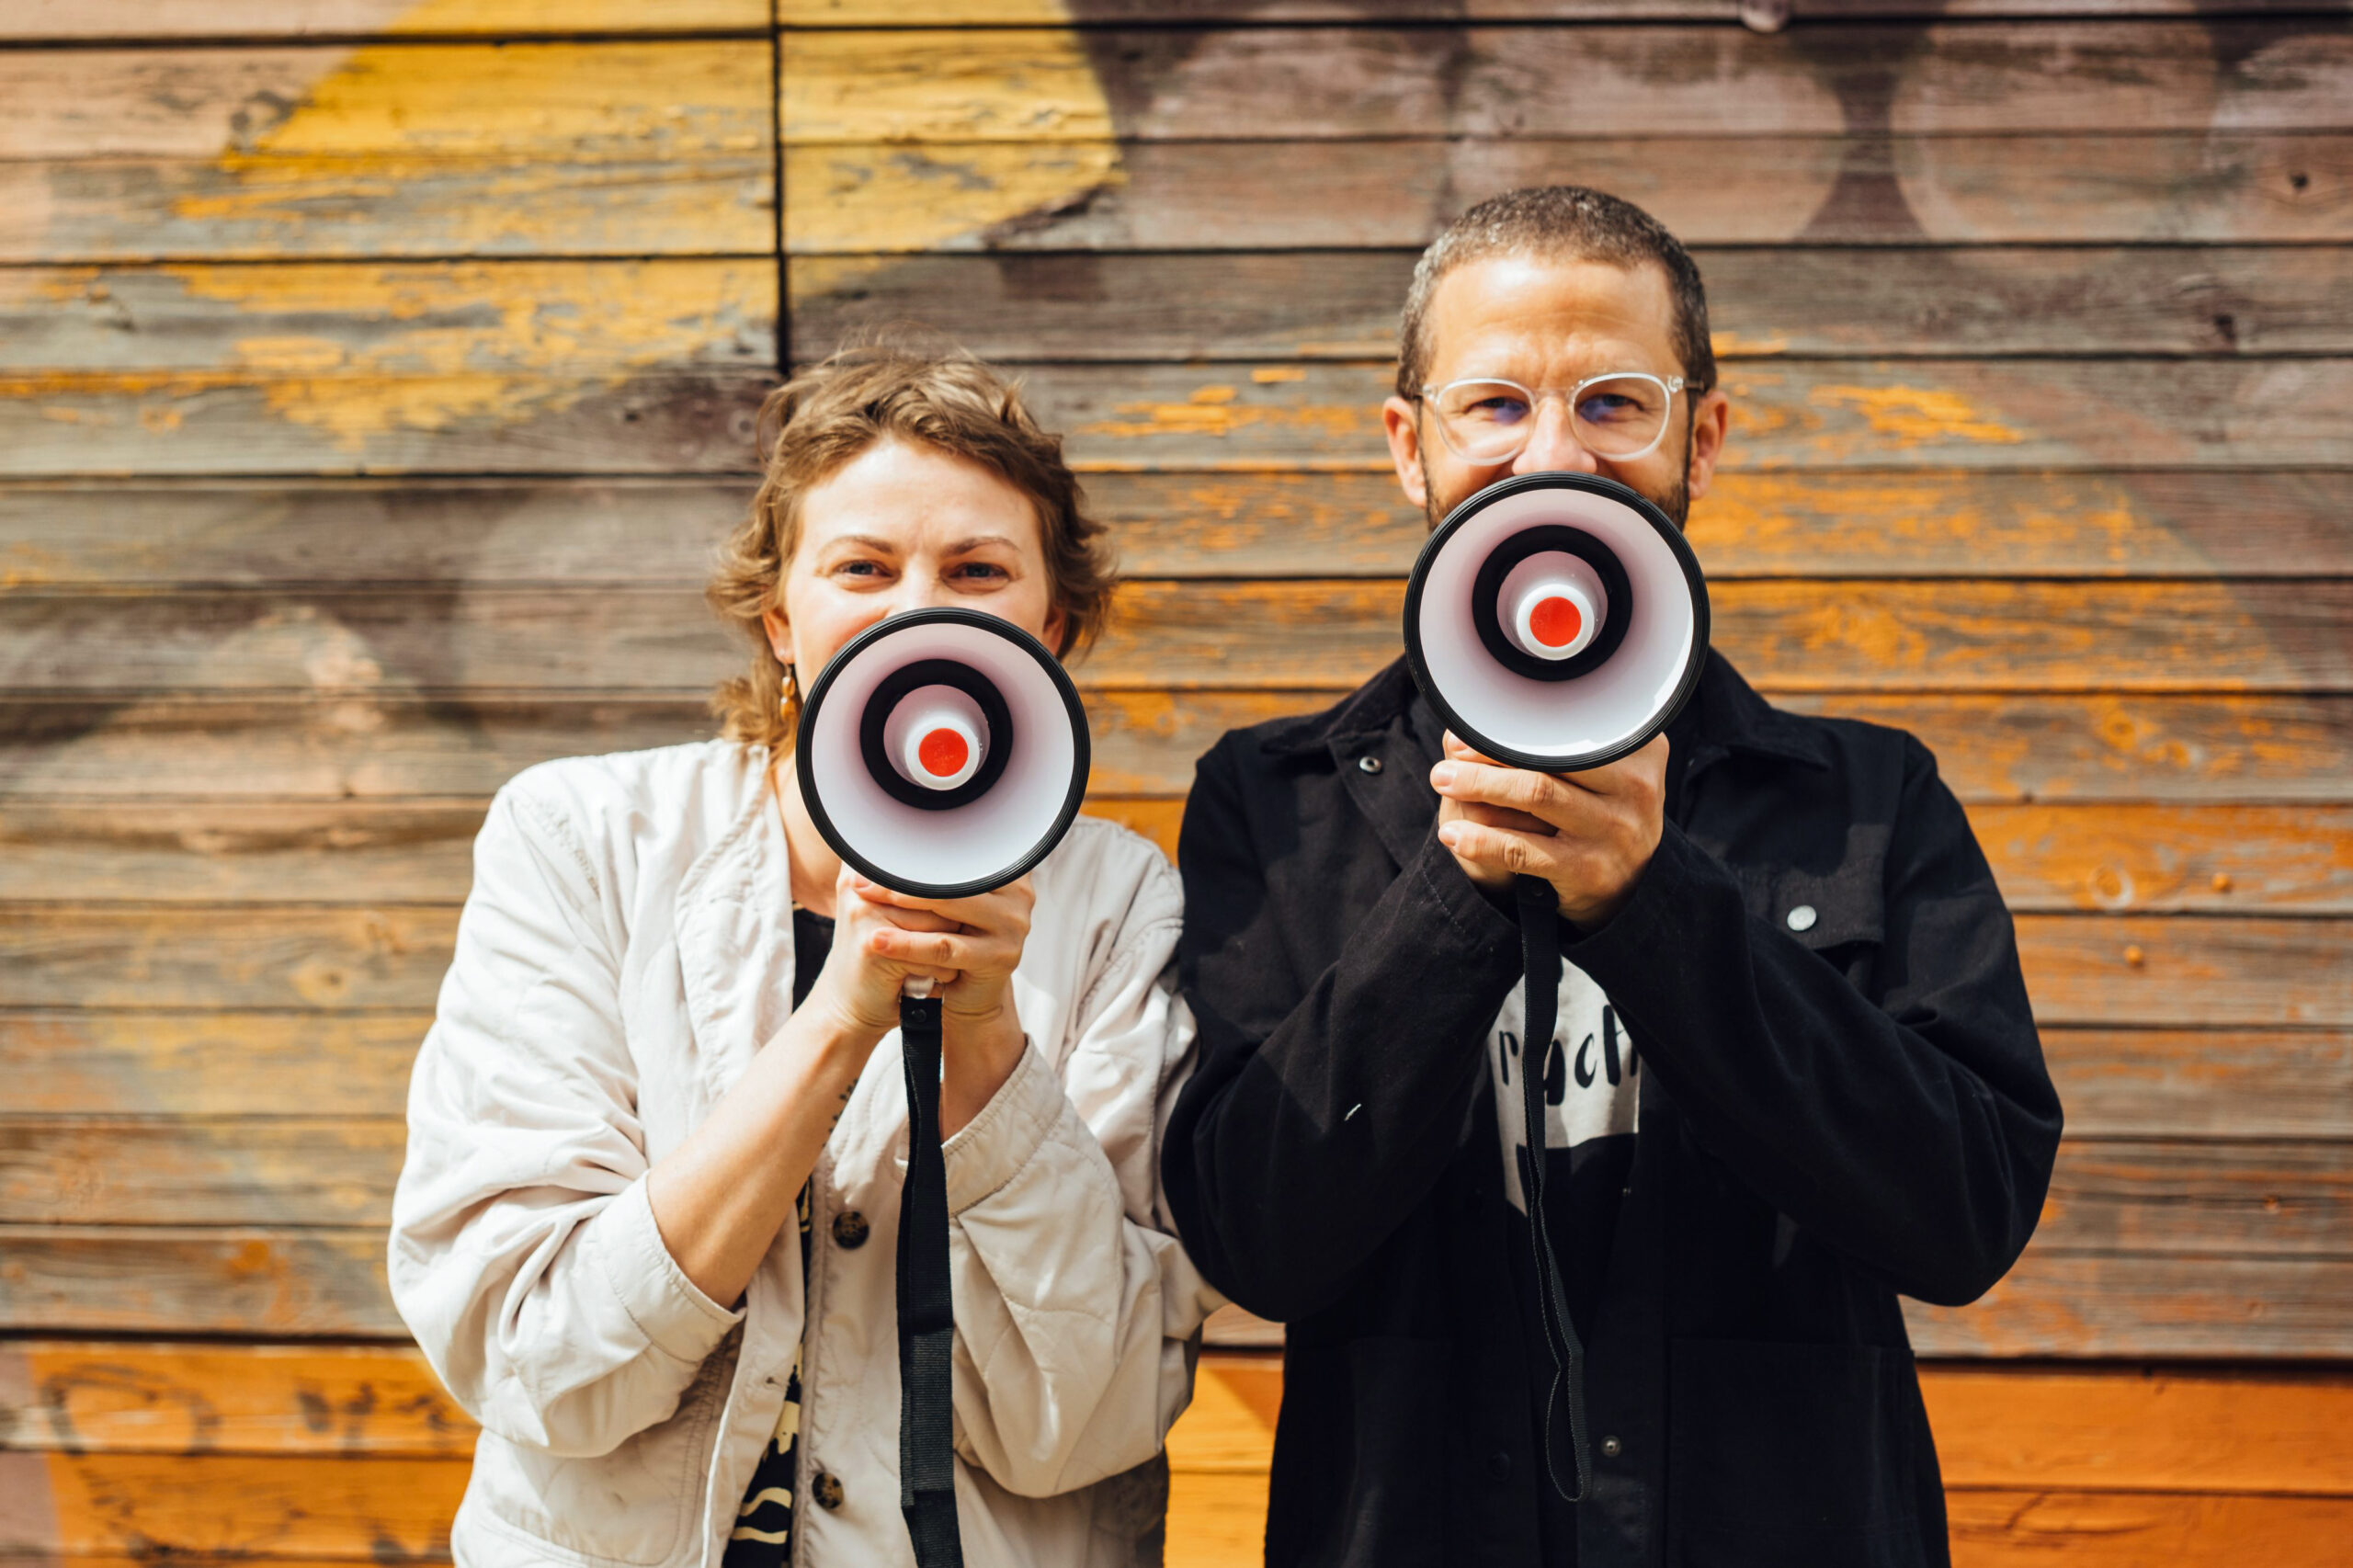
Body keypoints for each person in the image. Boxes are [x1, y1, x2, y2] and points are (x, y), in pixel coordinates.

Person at [1161, 187, 2063, 1567]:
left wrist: (1659, 907)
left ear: (1703, 436)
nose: (1553, 459)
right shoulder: (1273, 805)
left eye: (1613, 405)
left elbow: (1965, 1219)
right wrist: (1459, 893)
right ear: (1409, 446)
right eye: (1494, 405)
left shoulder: (1867, 801)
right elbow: (1254, 1241)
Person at [391, 344, 1219, 1568]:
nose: (919, 612)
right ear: (782, 619)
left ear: (1050, 627)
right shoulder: (582, 842)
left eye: (977, 571)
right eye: (863, 568)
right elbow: (533, 1354)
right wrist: (841, 1016)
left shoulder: (1114, 906)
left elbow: (1082, 1424)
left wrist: (987, 1036)